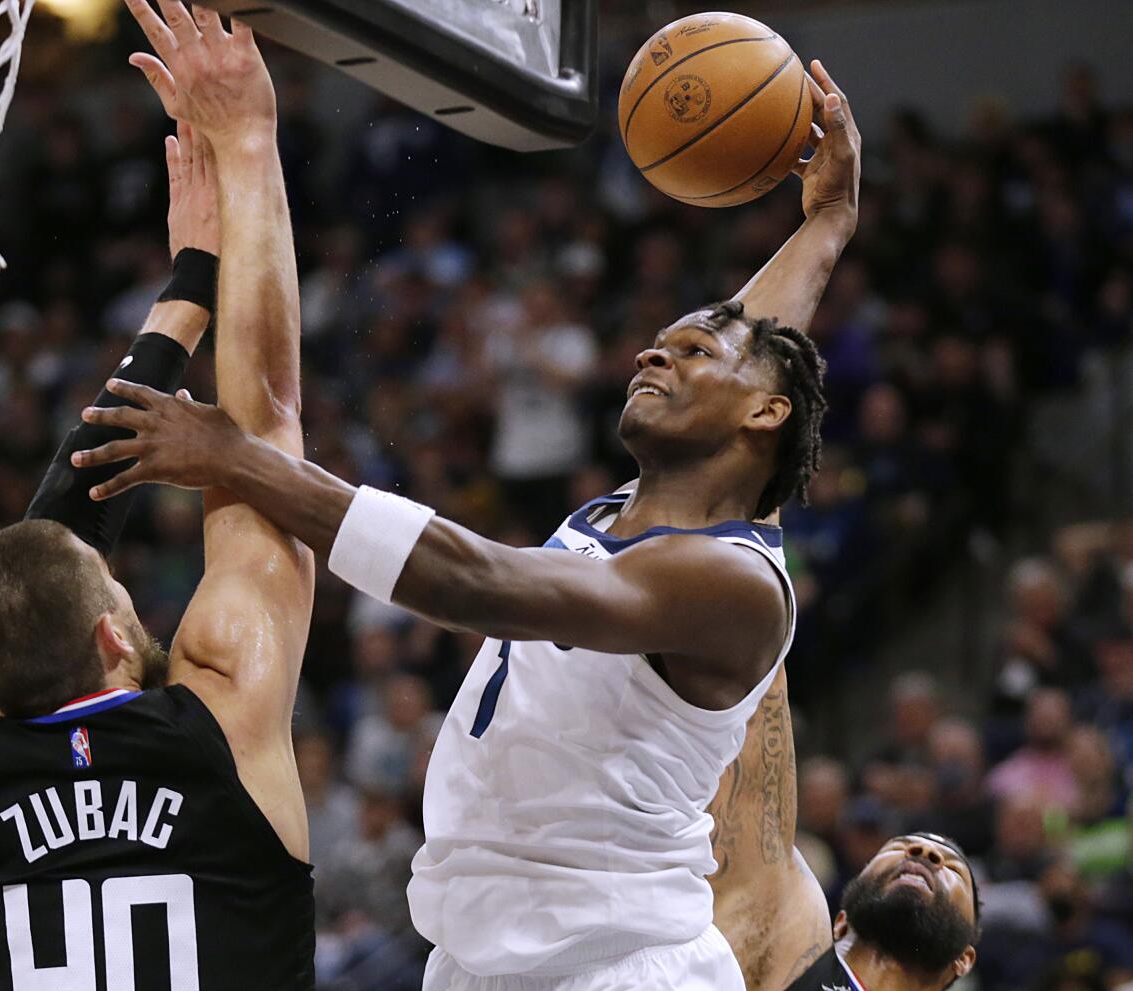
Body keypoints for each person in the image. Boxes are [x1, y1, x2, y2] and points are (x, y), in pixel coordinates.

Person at [71, 60, 862, 991]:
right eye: (667, 338)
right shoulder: (643, 513)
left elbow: (483, 582)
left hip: (614, 968)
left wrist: (240, 460)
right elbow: (762, 350)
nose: (655, 348)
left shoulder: (728, 585)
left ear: (762, 417)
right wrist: (829, 221)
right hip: (490, 961)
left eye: (692, 350)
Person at [0, 5, 317, 987]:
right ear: (105, 638)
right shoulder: (225, 715)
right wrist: (245, 155)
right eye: (117, 593)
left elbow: (34, 574)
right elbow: (261, 438)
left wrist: (190, 276)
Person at [706, 675, 981, 990]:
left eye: (954, 870)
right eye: (899, 848)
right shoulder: (795, 942)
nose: (925, 853)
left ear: (964, 958)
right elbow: (750, 802)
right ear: (841, 923)